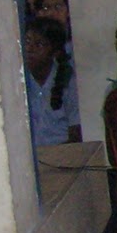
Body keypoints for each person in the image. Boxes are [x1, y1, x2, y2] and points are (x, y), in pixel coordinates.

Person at [24, 16, 81, 145]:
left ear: (55, 52)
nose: (29, 49)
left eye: (39, 44)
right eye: (27, 41)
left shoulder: (68, 81)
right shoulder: (19, 81)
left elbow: (76, 133)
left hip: (63, 151)